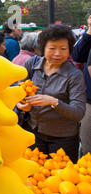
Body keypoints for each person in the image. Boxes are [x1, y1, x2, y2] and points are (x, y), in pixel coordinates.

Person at [16, 25, 87, 163]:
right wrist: (21, 104)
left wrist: (53, 102)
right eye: (52, 48)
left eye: (63, 49)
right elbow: (18, 90)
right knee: (34, 175)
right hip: (33, 133)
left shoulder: (74, 76)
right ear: (43, 48)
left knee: (60, 179)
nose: (57, 54)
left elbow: (79, 113)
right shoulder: (31, 65)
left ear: (69, 50)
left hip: (63, 139)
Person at [72, 14, 91, 156]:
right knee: (87, 149)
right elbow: (77, 55)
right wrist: (90, 29)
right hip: (89, 100)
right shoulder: (88, 36)